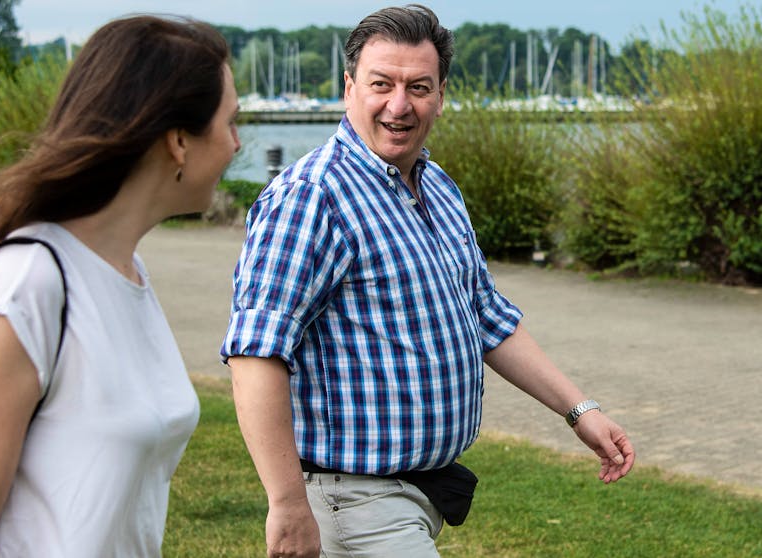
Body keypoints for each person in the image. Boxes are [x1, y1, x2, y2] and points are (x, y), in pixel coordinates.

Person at [221, 4, 634, 557]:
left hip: (416, 495)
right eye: (381, 84)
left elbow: (486, 314)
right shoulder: (311, 197)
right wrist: (287, 503)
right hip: (353, 501)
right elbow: (256, 355)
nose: (399, 105)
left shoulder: (437, 185)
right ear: (349, 88)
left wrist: (579, 411)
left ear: (441, 95)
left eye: (418, 86)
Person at [0, 15, 240, 557]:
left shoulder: (130, 272)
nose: (236, 145)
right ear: (179, 141)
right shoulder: (23, 285)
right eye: (231, 123)